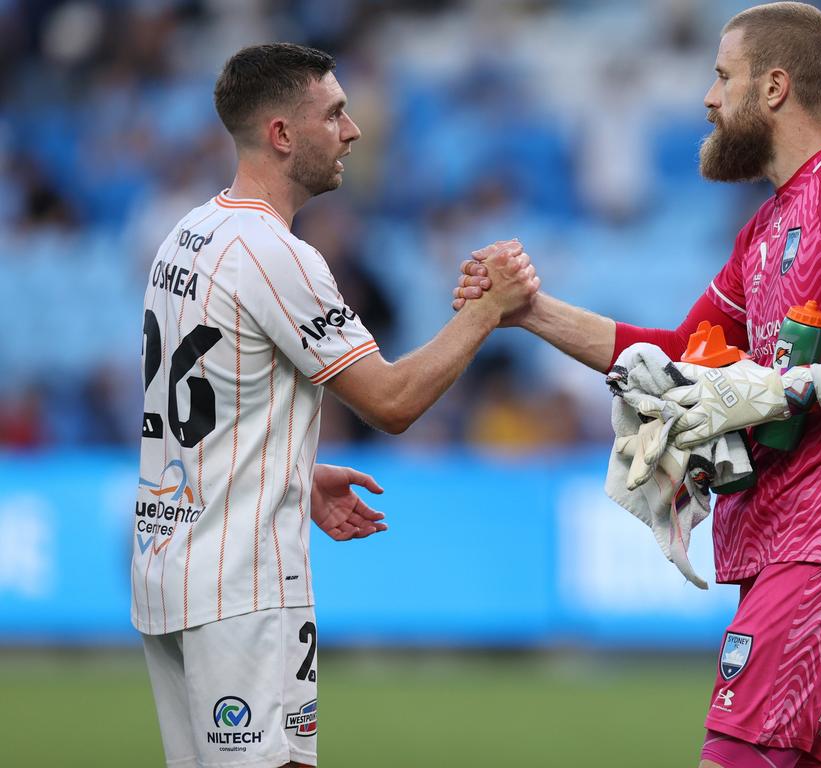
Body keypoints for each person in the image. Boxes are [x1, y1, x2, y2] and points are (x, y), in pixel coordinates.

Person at [454, 3, 821, 767]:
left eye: (723, 76)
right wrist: (529, 311)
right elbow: (680, 354)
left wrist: (795, 389)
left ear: (774, 87)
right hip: (775, 538)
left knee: (734, 754)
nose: (708, 97)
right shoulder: (762, 231)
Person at [132, 43, 538, 768]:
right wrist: (488, 310)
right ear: (282, 134)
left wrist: (291, 471)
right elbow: (392, 401)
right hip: (242, 587)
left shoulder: (185, 234)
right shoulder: (277, 253)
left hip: (170, 568)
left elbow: (206, 397)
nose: (352, 131)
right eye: (336, 113)